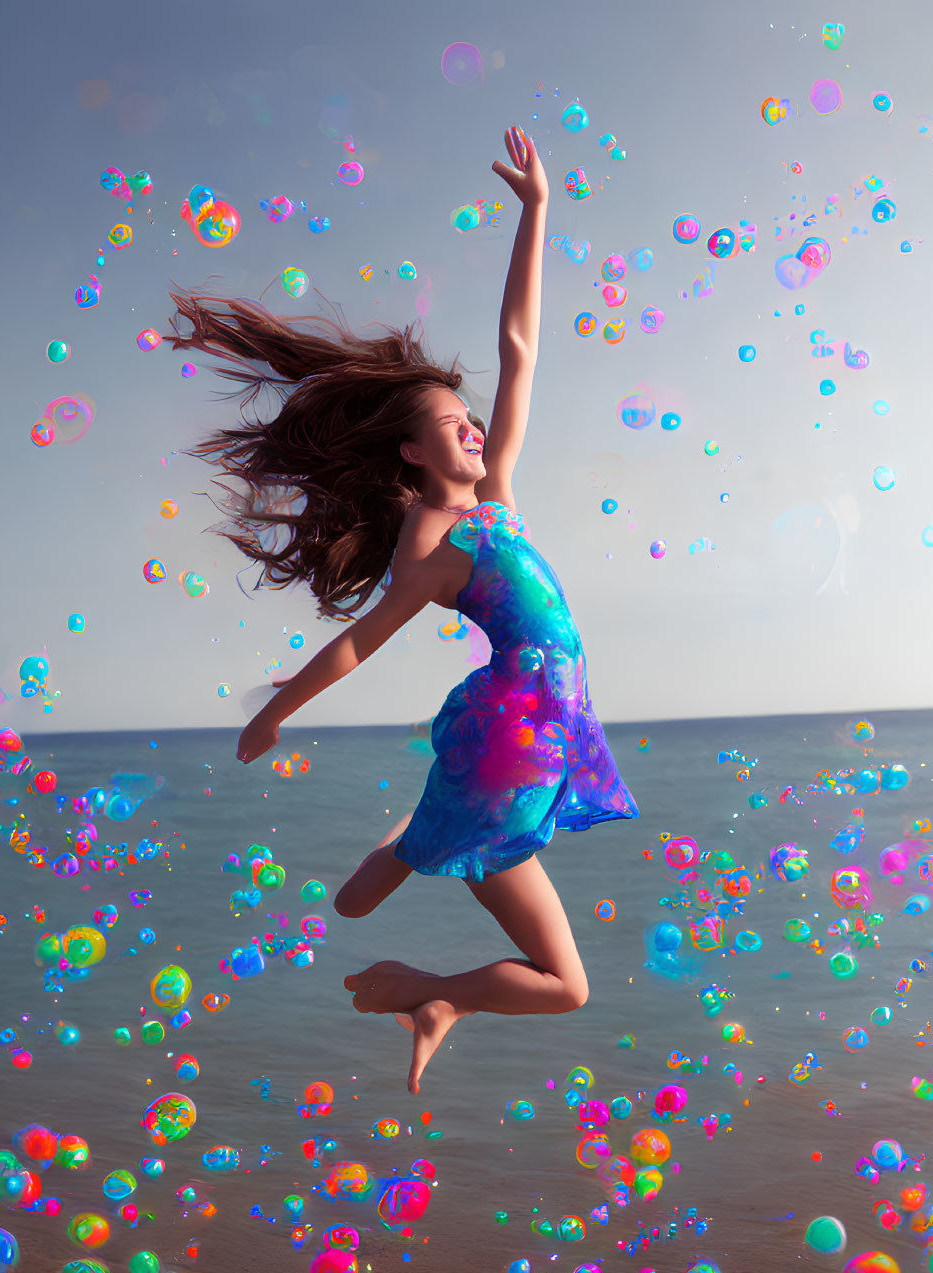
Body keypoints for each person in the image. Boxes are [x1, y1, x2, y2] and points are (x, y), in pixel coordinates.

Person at [167, 127, 637, 1093]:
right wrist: (273, 710)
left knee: (367, 907)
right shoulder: (434, 546)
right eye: (451, 426)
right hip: (514, 742)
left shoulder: (494, 494)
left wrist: (537, 210)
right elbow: (358, 643)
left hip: (538, 733)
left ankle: (420, 901)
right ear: (414, 455)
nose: (473, 427)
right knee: (562, 985)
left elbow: (517, 348)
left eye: (471, 421)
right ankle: (434, 986)